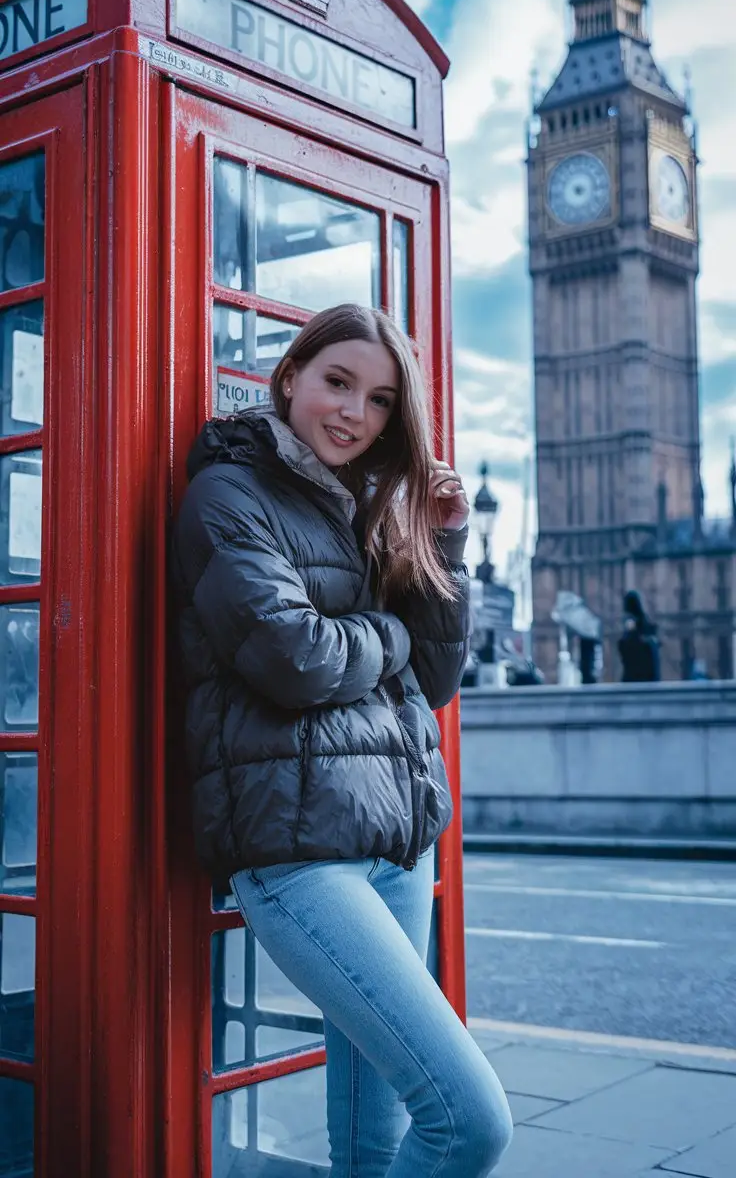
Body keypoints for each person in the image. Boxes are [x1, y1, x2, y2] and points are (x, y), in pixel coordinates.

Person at [171, 304, 513, 1177]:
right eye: (337, 382)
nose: (355, 412)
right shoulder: (228, 495)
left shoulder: (370, 506)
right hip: (297, 856)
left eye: (382, 399)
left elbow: (433, 684)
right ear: (289, 378)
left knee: (370, 1142)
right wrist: (388, 634)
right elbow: (294, 659)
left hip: (397, 844)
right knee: (468, 1122)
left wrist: (444, 541)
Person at [618, 590, 661, 683]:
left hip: (635, 679)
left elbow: (626, 648)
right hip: (648, 680)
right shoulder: (648, 629)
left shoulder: (632, 625)